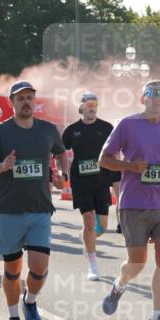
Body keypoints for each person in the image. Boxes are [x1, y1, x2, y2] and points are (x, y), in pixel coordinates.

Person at [0, 81, 69, 320]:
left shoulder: (47, 130)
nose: (26, 102)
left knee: (39, 268)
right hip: (8, 210)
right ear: (12, 102)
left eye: (30, 97)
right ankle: (13, 319)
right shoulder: (0, 132)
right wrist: (2, 166)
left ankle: (29, 301)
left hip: (40, 209)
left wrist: (64, 173)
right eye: (21, 98)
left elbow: (61, 153)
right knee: (12, 270)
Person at [99, 79, 160, 320]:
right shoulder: (127, 125)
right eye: (150, 94)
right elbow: (104, 160)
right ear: (142, 99)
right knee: (137, 263)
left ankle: (156, 318)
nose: (155, 99)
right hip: (133, 203)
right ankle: (119, 286)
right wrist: (129, 166)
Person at [62, 91, 115, 280]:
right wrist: (62, 173)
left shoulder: (107, 127)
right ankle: (93, 265)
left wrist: (117, 182)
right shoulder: (72, 129)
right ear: (82, 107)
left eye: (95, 104)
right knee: (89, 221)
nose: (91, 108)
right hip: (80, 180)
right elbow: (60, 149)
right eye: (88, 104)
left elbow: (115, 154)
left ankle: (87, 238)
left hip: (101, 180)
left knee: (102, 226)